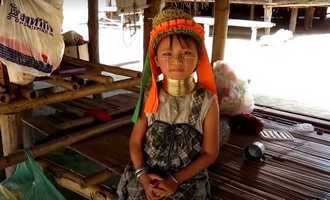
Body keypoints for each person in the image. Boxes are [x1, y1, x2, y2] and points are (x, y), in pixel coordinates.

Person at [117, 8, 220, 200]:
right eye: (167, 54)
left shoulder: (207, 101)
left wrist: (174, 180)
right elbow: (134, 142)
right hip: (146, 174)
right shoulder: (150, 96)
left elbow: (210, 152)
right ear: (156, 60)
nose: (177, 61)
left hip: (186, 178)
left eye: (187, 53)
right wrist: (142, 176)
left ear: (198, 59)